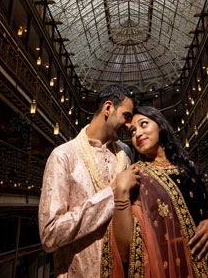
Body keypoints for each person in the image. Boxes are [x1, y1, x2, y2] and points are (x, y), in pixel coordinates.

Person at [103, 106, 208, 277]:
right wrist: (121, 192)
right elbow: (125, 250)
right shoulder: (136, 176)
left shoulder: (187, 168)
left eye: (144, 124)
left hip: (207, 266)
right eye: (132, 131)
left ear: (160, 126)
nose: (137, 134)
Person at [39, 85, 138, 278]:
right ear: (108, 108)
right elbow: (49, 235)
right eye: (126, 116)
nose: (129, 125)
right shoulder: (63, 156)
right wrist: (114, 194)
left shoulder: (125, 154)